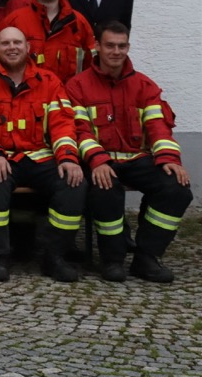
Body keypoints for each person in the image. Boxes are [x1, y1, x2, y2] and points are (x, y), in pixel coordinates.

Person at [67, 22, 193, 283]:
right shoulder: (78, 86)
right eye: (110, 45)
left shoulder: (145, 86)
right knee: (105, 189)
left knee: (176, 189)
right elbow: (80, 131)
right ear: (97, 47)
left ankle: (147, 257)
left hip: (136, 158)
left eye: (121, 46)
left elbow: (158, 127)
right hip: (99, 159)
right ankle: (112, 260)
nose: (116, 51)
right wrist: (98, 161)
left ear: (128, 47)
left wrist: (169, 159)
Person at [0, 26, 86, 282]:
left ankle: (55, 255)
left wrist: (67, 157)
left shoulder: (50, 82)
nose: (12, 47)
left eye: (17, 42)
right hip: (2, 157)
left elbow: (62, 123)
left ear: (28, 47)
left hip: (41, 156)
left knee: (72, 182)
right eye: (5, 43)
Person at [0, 0, 96, 82]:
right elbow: (1, 66)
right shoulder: (14, 22)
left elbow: (92, 65)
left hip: (68, 97)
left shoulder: (78, 23)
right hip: (27, 97)